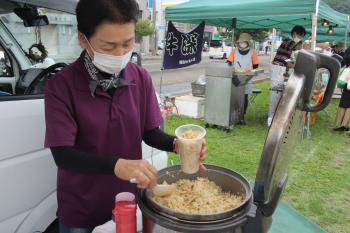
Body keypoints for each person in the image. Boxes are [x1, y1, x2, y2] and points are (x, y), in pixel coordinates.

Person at [44, 1, 207, 232]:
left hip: (127, 200)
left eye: (127, 43)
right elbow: (63, 155)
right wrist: (117, 165)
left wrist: (177, 144)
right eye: (109, 47)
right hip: (82, 206)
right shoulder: (61, 86)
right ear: (83, 39)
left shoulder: (139, 77)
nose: (120, 54)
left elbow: (149, 132)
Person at [227, 33, 259, 124]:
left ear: (248, 43)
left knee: (244, 97)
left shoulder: (252, 52)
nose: (242, 43)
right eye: (240, 42)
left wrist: (250, 72)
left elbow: (256, 65)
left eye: (243, 42)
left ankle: (242, 116)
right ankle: (233, 115)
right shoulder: (234, 51)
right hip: (235, 77)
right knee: (234, 96)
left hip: (247, 78)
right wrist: (231, 68)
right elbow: (229, 62)